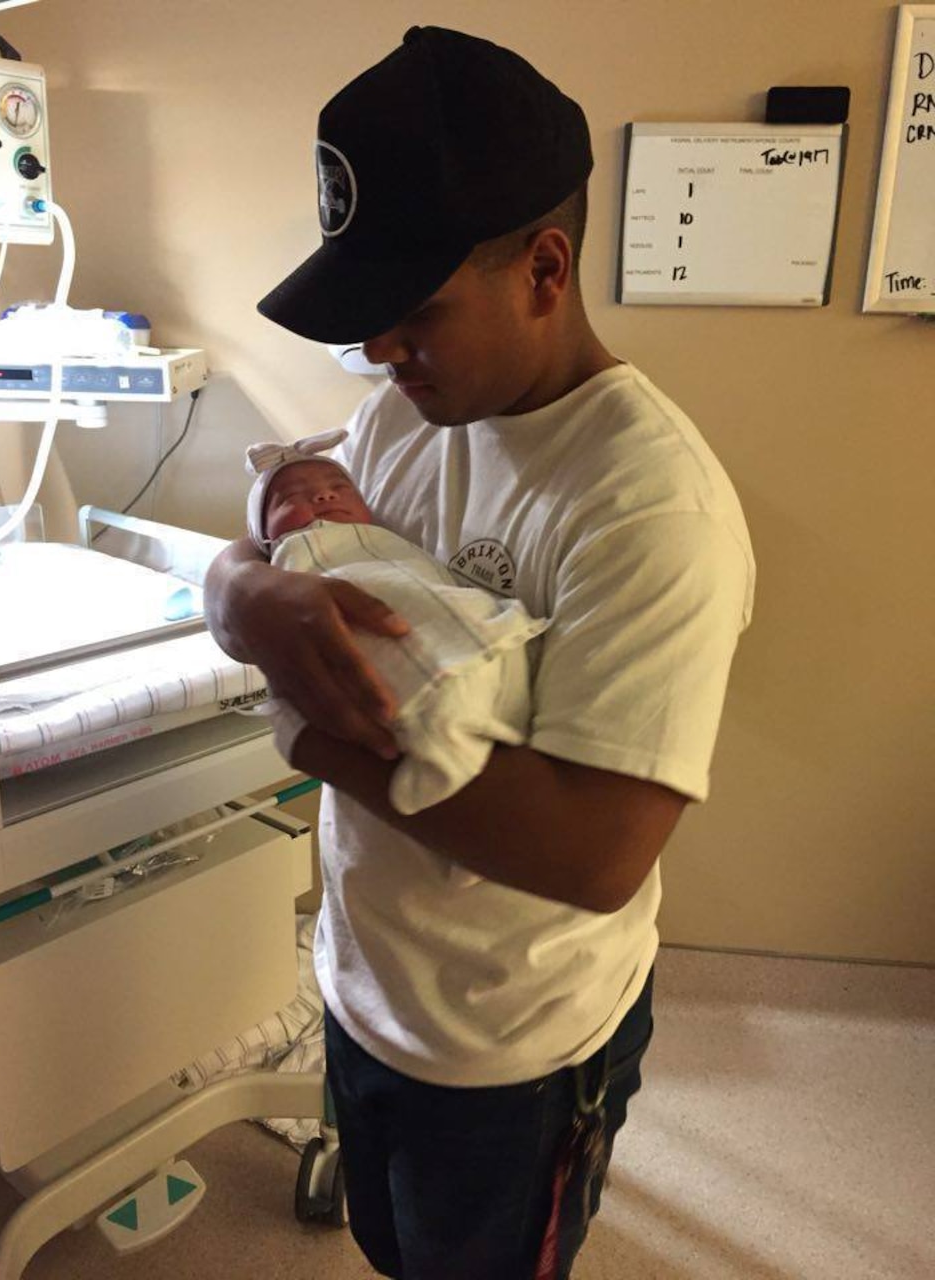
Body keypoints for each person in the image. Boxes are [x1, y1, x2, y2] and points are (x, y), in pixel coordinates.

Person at [204, 25, 755, 1280]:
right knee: (390, 1243)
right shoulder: (405, 416)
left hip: (517, 1047)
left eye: (416, 316)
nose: (385, 355)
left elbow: (597, 852)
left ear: (545, 269)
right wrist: (237, 590)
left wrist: (304, 733)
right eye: (367, 323)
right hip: (367, 984)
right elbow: (302, 519)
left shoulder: (648, 510)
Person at [245, 430, 546, 816]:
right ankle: (444, 741)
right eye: (290, 498)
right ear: (265, 536)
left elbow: (418, 580)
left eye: (339, 487)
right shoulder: (295, 552)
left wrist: (301, 739)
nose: (323, 496)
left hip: (457, 619)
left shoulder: (384, 540)